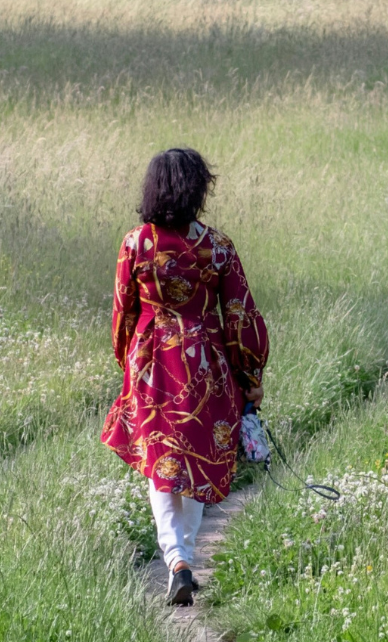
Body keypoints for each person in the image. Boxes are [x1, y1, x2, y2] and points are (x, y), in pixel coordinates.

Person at [101, 147, 269, 605]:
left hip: (151, 365)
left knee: (161, 465)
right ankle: (185, 558)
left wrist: (129, 362)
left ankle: (176, 561)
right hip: (204, 366)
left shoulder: (136, 244)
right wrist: (250, 373)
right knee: (195, 462)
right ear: (198, 190)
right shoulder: (218, 247)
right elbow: (239, 315)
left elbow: (122, 314)